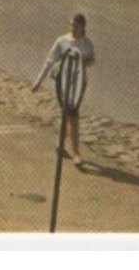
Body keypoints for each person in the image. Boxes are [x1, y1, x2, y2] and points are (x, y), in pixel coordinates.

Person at [31, 13, 95, 165]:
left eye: (76, 26)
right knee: (67, 113)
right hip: (63, 81)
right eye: (71, 25)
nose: (73, 28)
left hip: (79, 83)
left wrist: (85, 61)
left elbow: (92, 60)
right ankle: (65, 145)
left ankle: (75, 152)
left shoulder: (87, 43)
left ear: (82, 27)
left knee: (72, 115)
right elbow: (49, 60)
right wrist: (38, 81)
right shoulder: (62, 41)